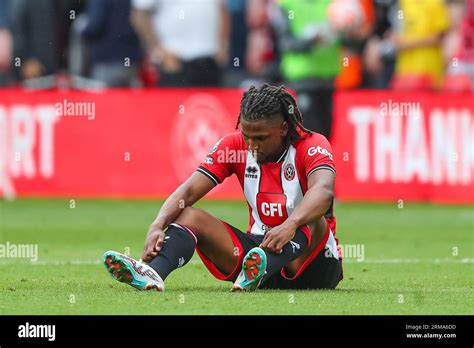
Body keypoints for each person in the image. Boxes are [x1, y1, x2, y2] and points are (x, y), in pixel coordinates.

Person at [103, 84, 343, 292]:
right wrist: (157, 225)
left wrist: (290, 224)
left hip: (314, 265)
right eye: (247, 136)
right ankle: (152, 273)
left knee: (309, 216)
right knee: (186, 213)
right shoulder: (234, 145)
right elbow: (187, 192)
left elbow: (323, 192)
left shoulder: (311, 144)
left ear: (282, 129)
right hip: (257, 254)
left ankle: (261, 265)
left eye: (260, 138)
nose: (251, 146)